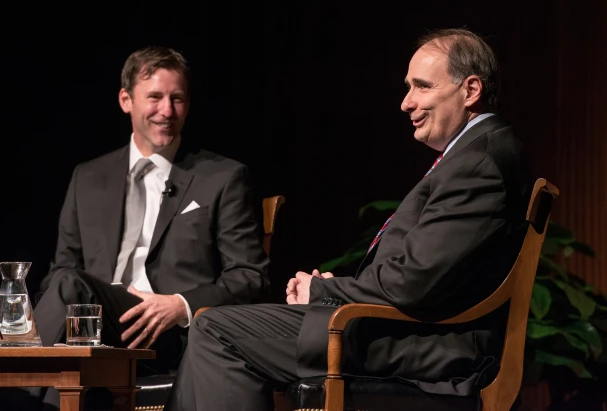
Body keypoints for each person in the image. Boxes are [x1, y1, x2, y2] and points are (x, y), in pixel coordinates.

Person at [166, 28, 533, 410]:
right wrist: (335, 291)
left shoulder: (478, 162)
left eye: (421, 87)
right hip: (400, 326)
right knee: (212, 325)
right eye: (408, 88)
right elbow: (422, 272)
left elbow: (414, 281)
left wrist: (326, 293)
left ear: (470, 90)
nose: (406, 103)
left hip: (421, 343)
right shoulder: (476, 154)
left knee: (215, 329)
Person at [0, 46, 270, 410]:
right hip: (89, 329)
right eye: (155, 98)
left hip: (163, 334)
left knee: (70, 287)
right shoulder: (88, 177)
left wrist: (180, 306)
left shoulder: (222, 177)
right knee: (67, 293)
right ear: (125, 100)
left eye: (177, 99)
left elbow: (249, 277)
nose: (167, 111)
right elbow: (58, 273)